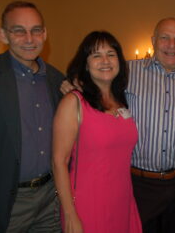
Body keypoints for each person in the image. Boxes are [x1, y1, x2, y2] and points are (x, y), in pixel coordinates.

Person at [0, 1, 63, 233]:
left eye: (36, 30)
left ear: (45, 33)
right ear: (3, 35)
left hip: (50, 199)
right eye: (19, 31)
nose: (29, 38)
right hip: (6, 202)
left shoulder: (57, 80)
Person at [52, 31, 142, 233]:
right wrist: (69, 213)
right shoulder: (73, 103)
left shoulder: (121, 102)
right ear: (85, 64)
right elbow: (59, 161)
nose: (105, 61)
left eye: (111, 54)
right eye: (96, 55)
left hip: (122, 199)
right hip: (87, 203)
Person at [127, 18, 175, 233]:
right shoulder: (127, 72)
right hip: (140, 185)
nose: (172, 45)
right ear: (153, 40)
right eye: (165, 38)